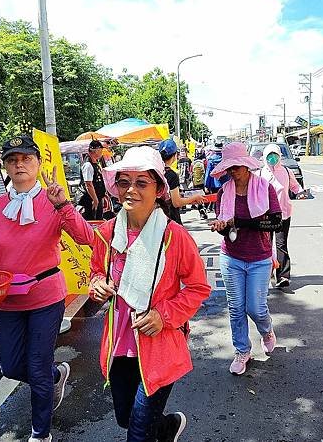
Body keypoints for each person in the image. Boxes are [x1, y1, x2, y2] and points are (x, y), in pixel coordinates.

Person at [0, 135, 95, 442]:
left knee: (36, 366)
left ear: (38, 163)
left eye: (26, 158)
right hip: (8, 298)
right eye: (13, 160)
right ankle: (55, 376)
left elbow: (86, 238)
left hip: (46, 297)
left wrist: (64, 205)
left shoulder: (53, 202)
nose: (20, 164)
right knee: (11, 367)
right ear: (6, 166)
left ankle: (41, 433)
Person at [89, 146, 211, 441]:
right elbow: (96, 273)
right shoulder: (106, 234)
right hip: (119, 345)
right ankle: (167, 427)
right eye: (123, 182)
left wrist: (162, 315)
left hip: (158, 348)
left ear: (158, 189)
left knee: (138, 433)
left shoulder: (175, 237)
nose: (131, 190)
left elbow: (198, 287)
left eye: (142, 182)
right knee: (125, 418)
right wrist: (96, 286)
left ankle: (155, 428)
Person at [208, 142, 282, 375]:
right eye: (229, 169)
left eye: (237, 167)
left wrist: (238, 222)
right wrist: (221, 226)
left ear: (246, 166)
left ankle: (266, 330)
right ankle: (242, 350)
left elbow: (276, 222)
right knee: (236, 307)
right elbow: (225, 229)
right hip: (231, 257)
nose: (233, 172)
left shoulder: (265, 188)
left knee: (256, 308)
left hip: (259, 257)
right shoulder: (223, 192)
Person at [256, 144, 302, 289]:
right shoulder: (260, 174)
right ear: (264, 157)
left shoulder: (287, 171)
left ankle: (283, 276)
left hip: (284, 213)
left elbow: (295, 187)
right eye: (269, 155)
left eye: (275, 155)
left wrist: (300, 192)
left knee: (281, 245)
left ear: (279, 156)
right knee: (266, 245)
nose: (272, 158)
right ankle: (266, 274)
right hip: (266, 216)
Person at [158, 138, 205, 225]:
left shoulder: (155, 172)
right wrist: (195, 198)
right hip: (170, 219)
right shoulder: (171, 175)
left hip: (156, 219)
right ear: (175, 155)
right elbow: (176, 203)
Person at [80, 139, 107, 220]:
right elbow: (88, 184)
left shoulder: (96, 163)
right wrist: (95, 200)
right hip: (90, 200)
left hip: (97, 199)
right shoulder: (88, 165)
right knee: (92, 221)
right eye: (101, 150)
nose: (101, 152)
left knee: (98, 220)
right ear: (96, 150)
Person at [203, 141, 229, 218]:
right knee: (226, 199)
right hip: (226, 182)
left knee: (216, 200)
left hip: (214, 184)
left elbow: (208, 173)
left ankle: (217, 215)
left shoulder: (211, 160)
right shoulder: (226, 159)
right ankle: (225, 214)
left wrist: (206, 185)